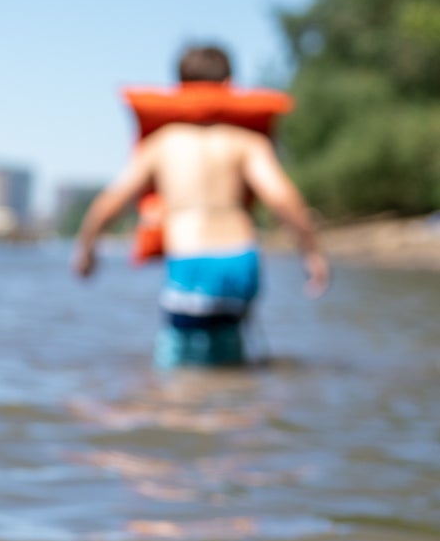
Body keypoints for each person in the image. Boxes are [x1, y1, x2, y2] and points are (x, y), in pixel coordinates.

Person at [71, 44, 330, 367]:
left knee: (177, 365)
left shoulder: (162, 143)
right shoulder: (247, 143)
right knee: (231, 358)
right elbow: (283, 198)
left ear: (179, 87)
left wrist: (86, 249)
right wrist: (312, 253)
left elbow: (111, 201)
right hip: (241, 258)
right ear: (228, 85)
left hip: (190, 259)